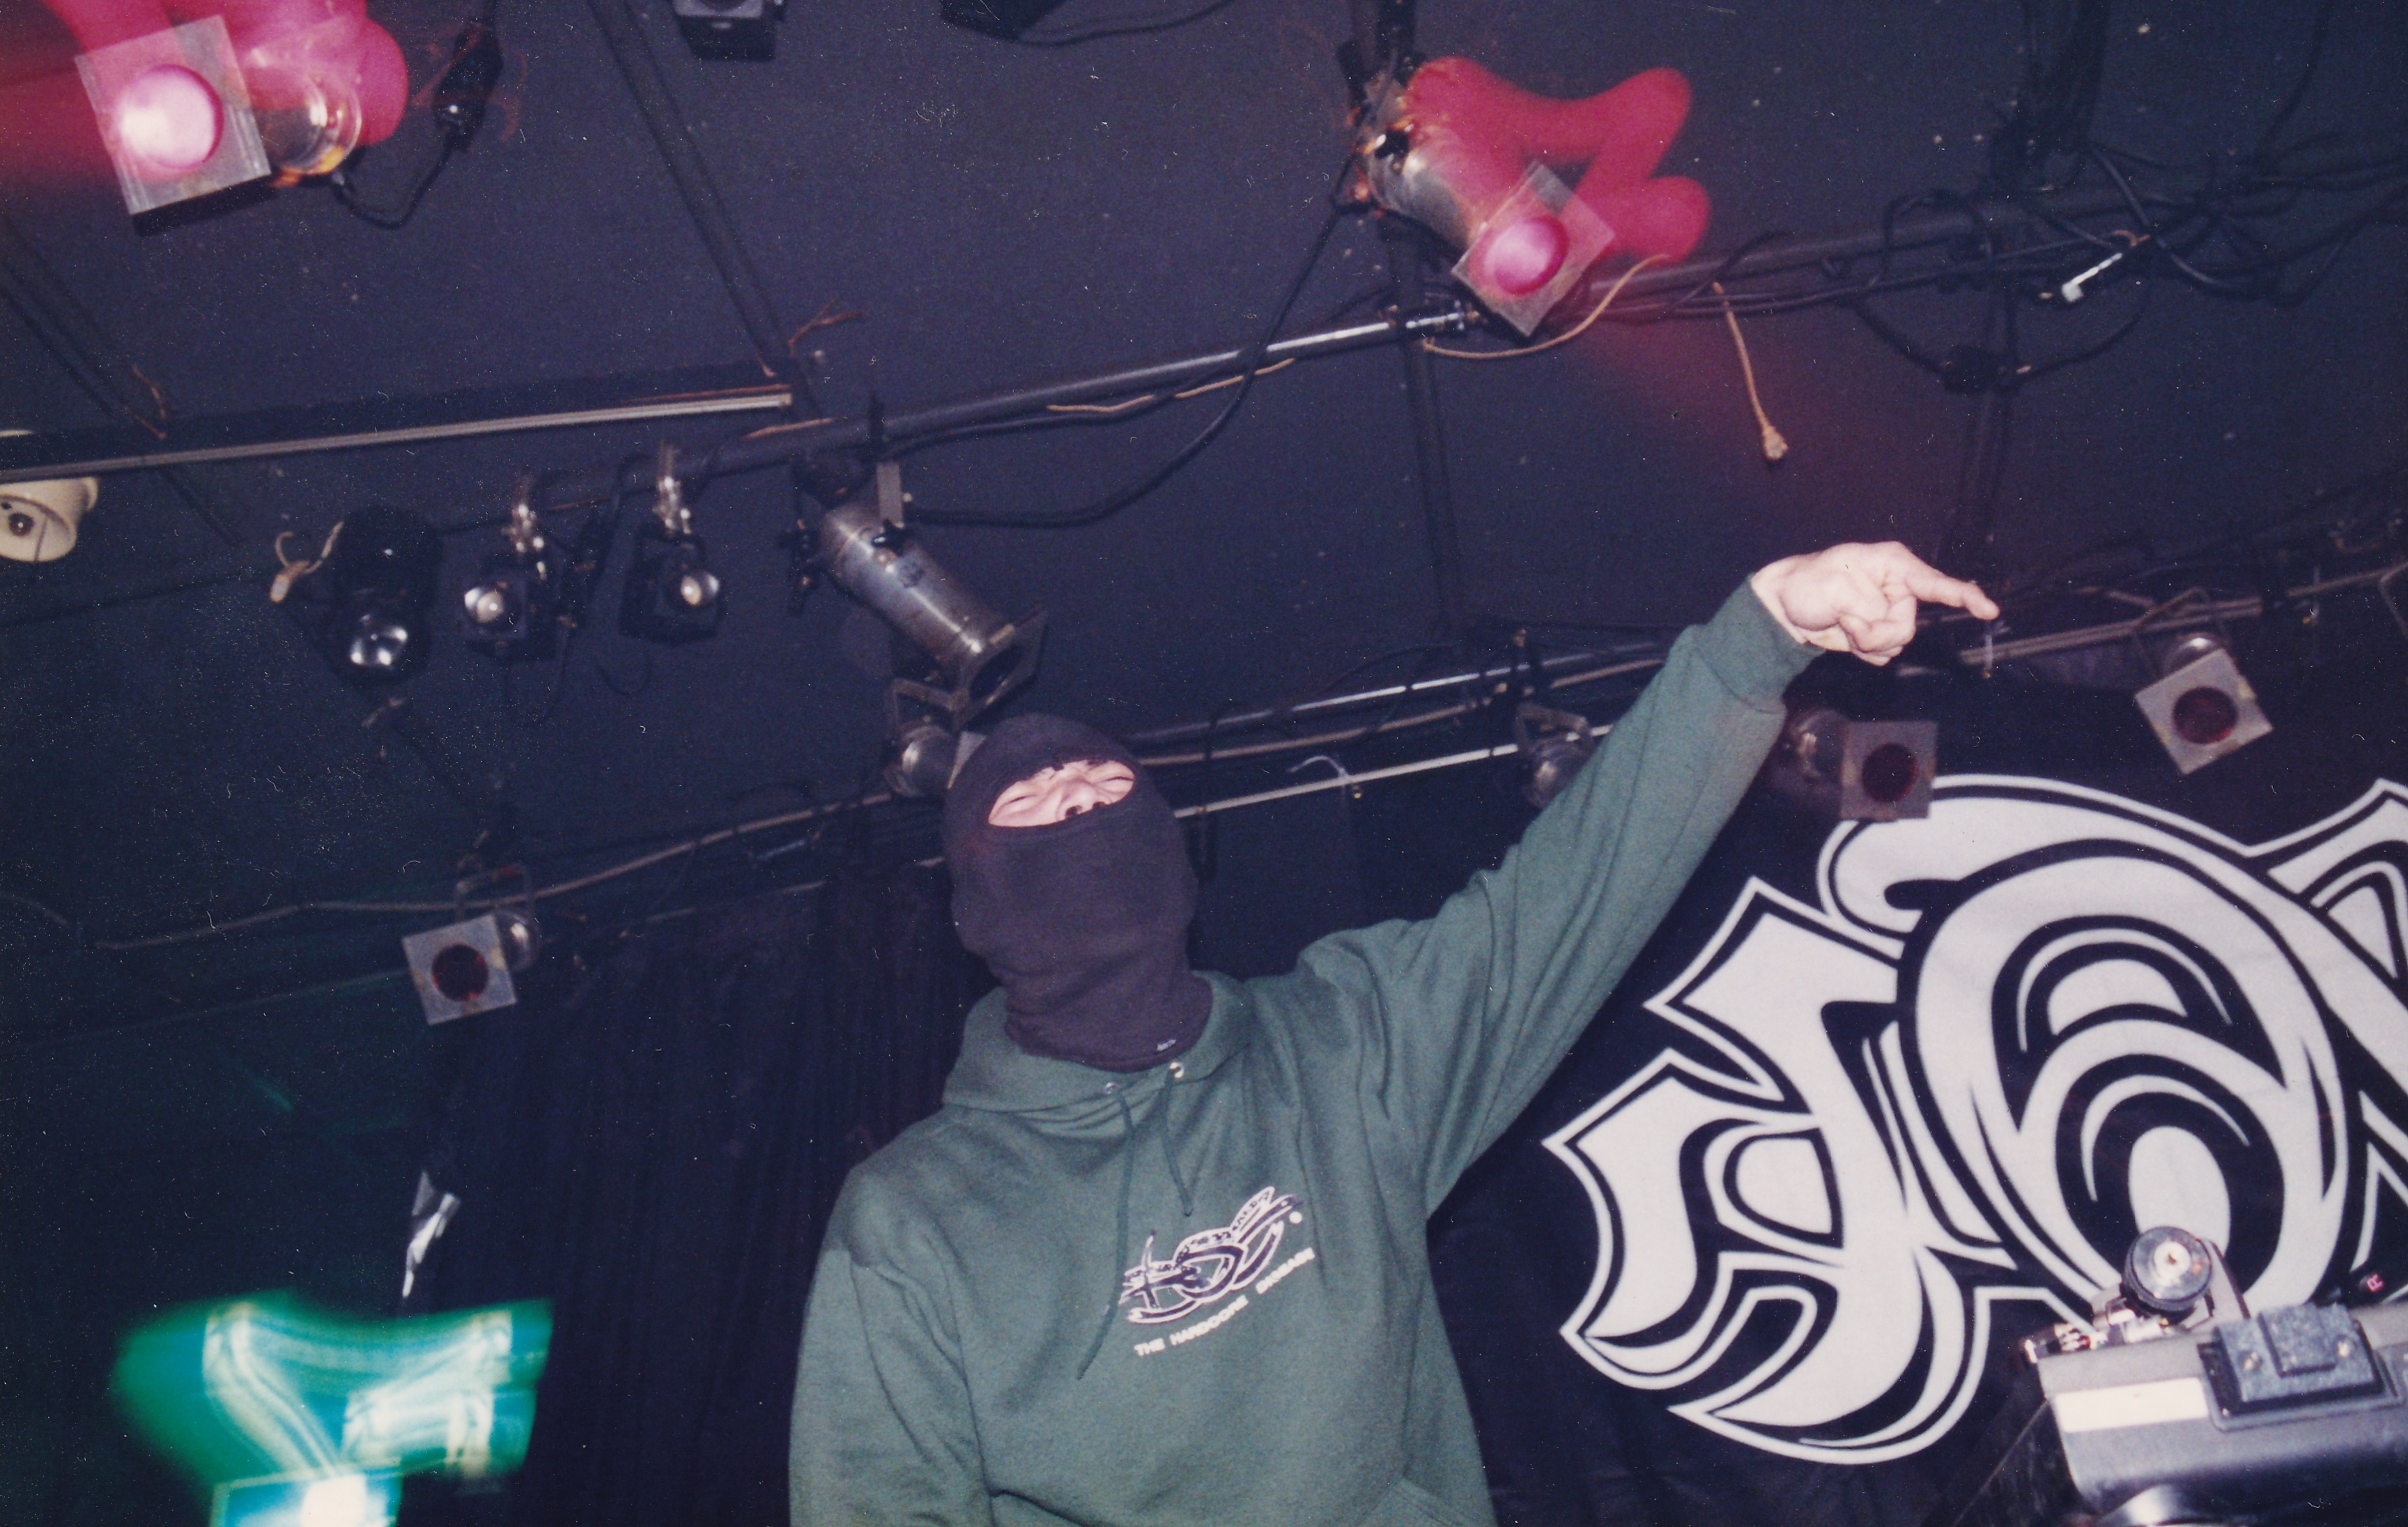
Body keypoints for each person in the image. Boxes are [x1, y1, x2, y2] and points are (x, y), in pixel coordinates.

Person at [790, 542, 1998, 1527]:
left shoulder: (1341, 1045)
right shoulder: (915, 1217)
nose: (1084, 820)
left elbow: (1561, 906)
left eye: (1109, 797)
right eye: (1037, 811)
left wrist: (1759, 633)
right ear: (976, 907)